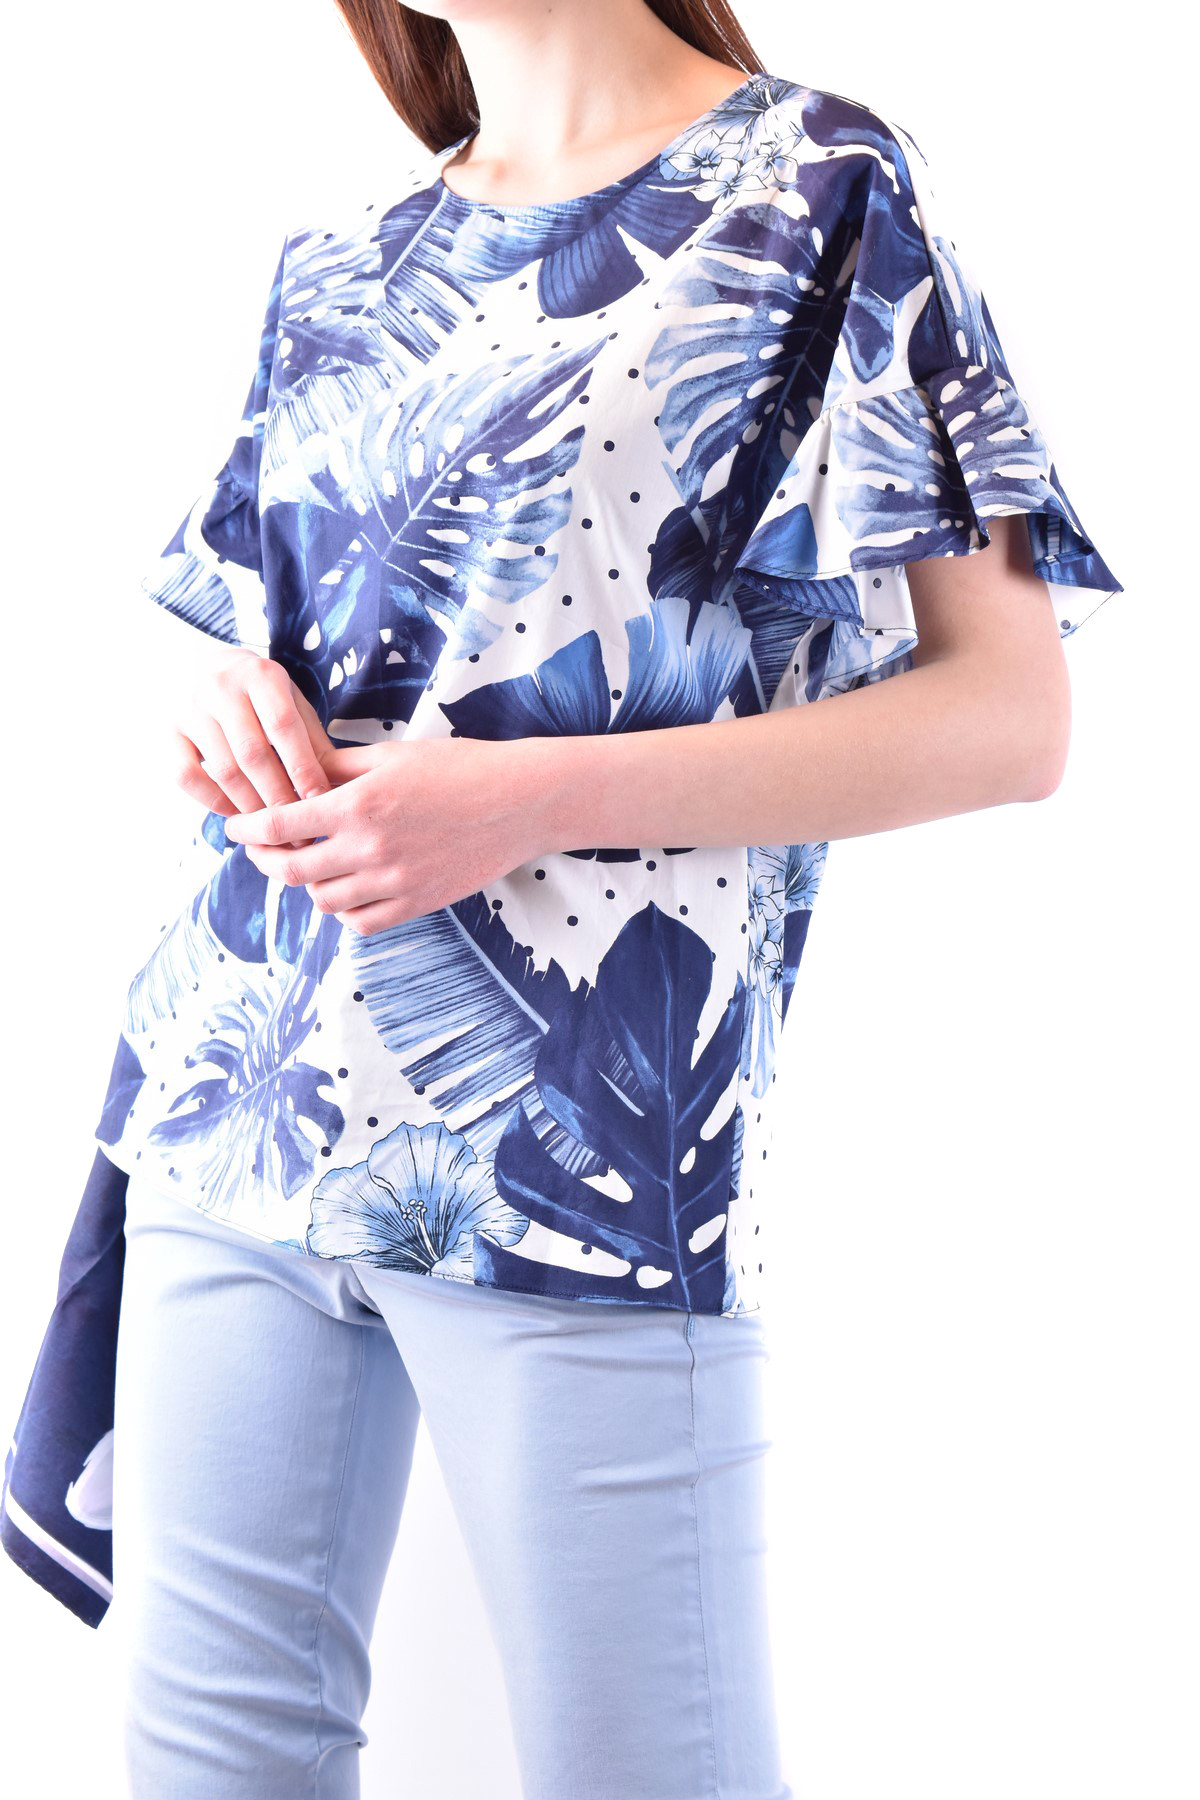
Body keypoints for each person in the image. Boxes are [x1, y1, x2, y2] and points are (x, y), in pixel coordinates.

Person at [83, 2, 1123, 1795]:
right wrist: (213, 706)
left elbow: (1012, 720)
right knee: (209, 1766)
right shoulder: (344, 258)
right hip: (234, 1108)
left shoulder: (821, 186)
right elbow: (261, 639)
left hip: (581, 1148)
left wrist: (535, 799)